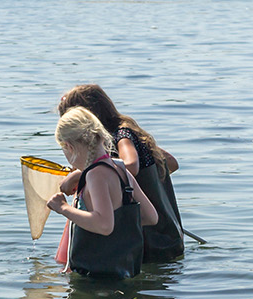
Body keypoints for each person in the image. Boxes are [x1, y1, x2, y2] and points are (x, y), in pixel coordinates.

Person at [56, 84, 185, 262]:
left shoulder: (122, 135)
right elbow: (171, 163)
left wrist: (85, 174)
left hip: (148, 242)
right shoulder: (134, 133)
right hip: (170, 234)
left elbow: (131, 165)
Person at [47, 107, 158, 278]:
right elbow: (151, 217)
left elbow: (104, 225)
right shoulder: (121, 169)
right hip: (126, 271)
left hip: (98, 280)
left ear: (68, 146)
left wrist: (62, 208)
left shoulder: (95, 175)